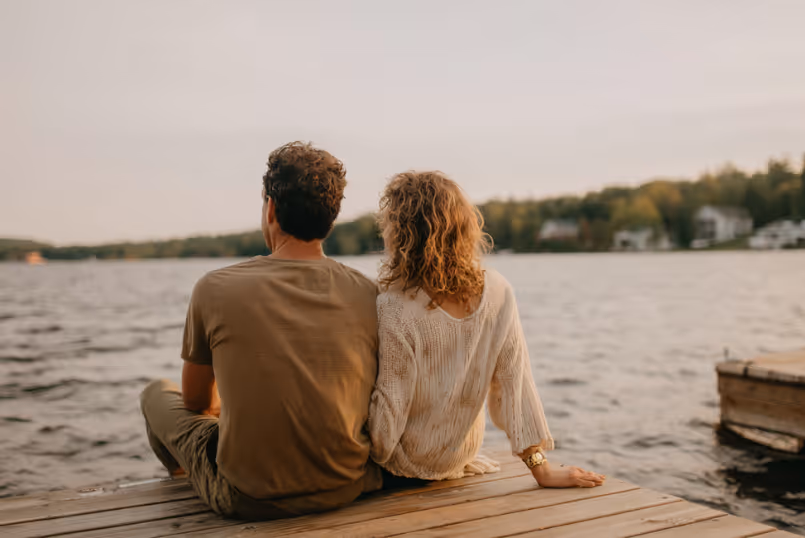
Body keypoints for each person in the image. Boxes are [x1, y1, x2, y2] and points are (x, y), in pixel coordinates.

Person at [139, 142, 382, 519]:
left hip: (248, 497)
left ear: (270, 208)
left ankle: (189, 478)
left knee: (156, 393)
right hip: (345, 486)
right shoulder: (369, 292)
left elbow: (196, 403)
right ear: (331, 218)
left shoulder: (214, 288)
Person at [368, 171, 605, 489]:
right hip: (459, 455)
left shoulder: (395, 305)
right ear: (463, 226)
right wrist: (541, 470)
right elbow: (514, 385)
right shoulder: (497, 290)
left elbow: (385, 433)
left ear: (401, 233)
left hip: (404, 467)